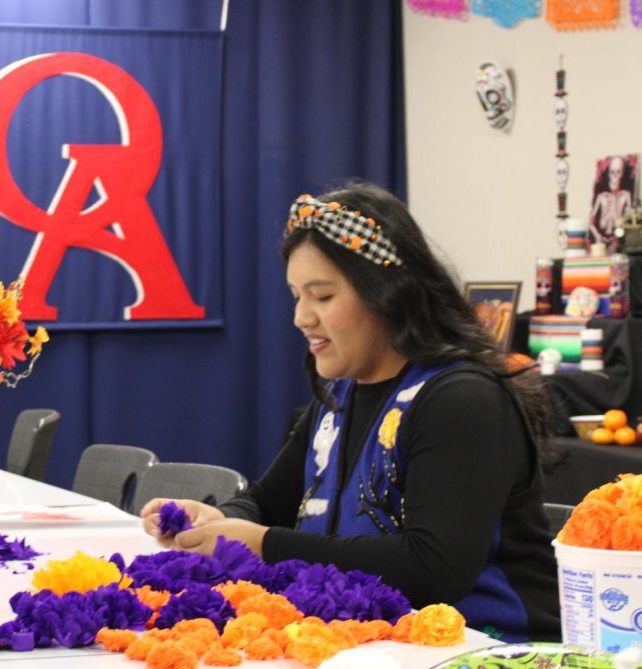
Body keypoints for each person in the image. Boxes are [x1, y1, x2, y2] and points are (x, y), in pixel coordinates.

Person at [141, 183, 560, 643]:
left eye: (321, 297)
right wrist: (217, 521)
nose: (302, 316)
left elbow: (432, 568)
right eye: (296, 296)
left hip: (487, 663)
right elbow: (266, 503)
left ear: (388, 295)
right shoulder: (338, 397)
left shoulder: (462, 400)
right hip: (369, 650)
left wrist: (262, 544)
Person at [589, 155, 635, 249]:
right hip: (601, 239)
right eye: (612, 172)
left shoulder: (626, 195)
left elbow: (631, 219)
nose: (615, 177)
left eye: (618, 172)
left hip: (620, 241)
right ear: (608, 174)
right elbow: (591, 221)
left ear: (622, 175)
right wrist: (597, 235)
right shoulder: (601, 196)